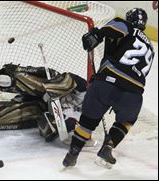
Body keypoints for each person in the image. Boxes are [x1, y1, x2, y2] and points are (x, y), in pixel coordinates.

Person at [63, 8, 155, 168]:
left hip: (106, 84)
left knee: (87, 121)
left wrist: (97, 35)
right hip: (133, 94)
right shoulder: (151, 48)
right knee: (126, 121)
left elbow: (113, 28)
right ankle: (108, 146)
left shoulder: (126, 25)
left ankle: (73, 153)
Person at [0, 63, 96, 145]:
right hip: (47, 87)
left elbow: (68, 125)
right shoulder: (86, 93)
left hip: (44, 107)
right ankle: (13, 78)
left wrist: (55, 123)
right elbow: (71, 79)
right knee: (51, 79)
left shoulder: (82, 117)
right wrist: (54, 89)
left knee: (30, 114)